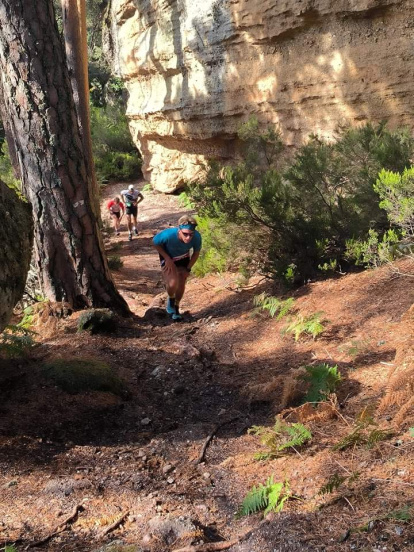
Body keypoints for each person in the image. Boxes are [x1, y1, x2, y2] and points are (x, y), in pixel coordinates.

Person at [152, 215, 202, 321]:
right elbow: (155, 242)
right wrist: (166, 258)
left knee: (181, 281)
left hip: (183, 258)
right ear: (179, 230)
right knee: (172, 283)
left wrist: (188, 269)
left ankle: (176, 307)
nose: (188, 237)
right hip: (168, 258)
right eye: (185, 234)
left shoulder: (197, 237)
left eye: (191, 235)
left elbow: (196, 253)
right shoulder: (168, 235)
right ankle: (171, 299)